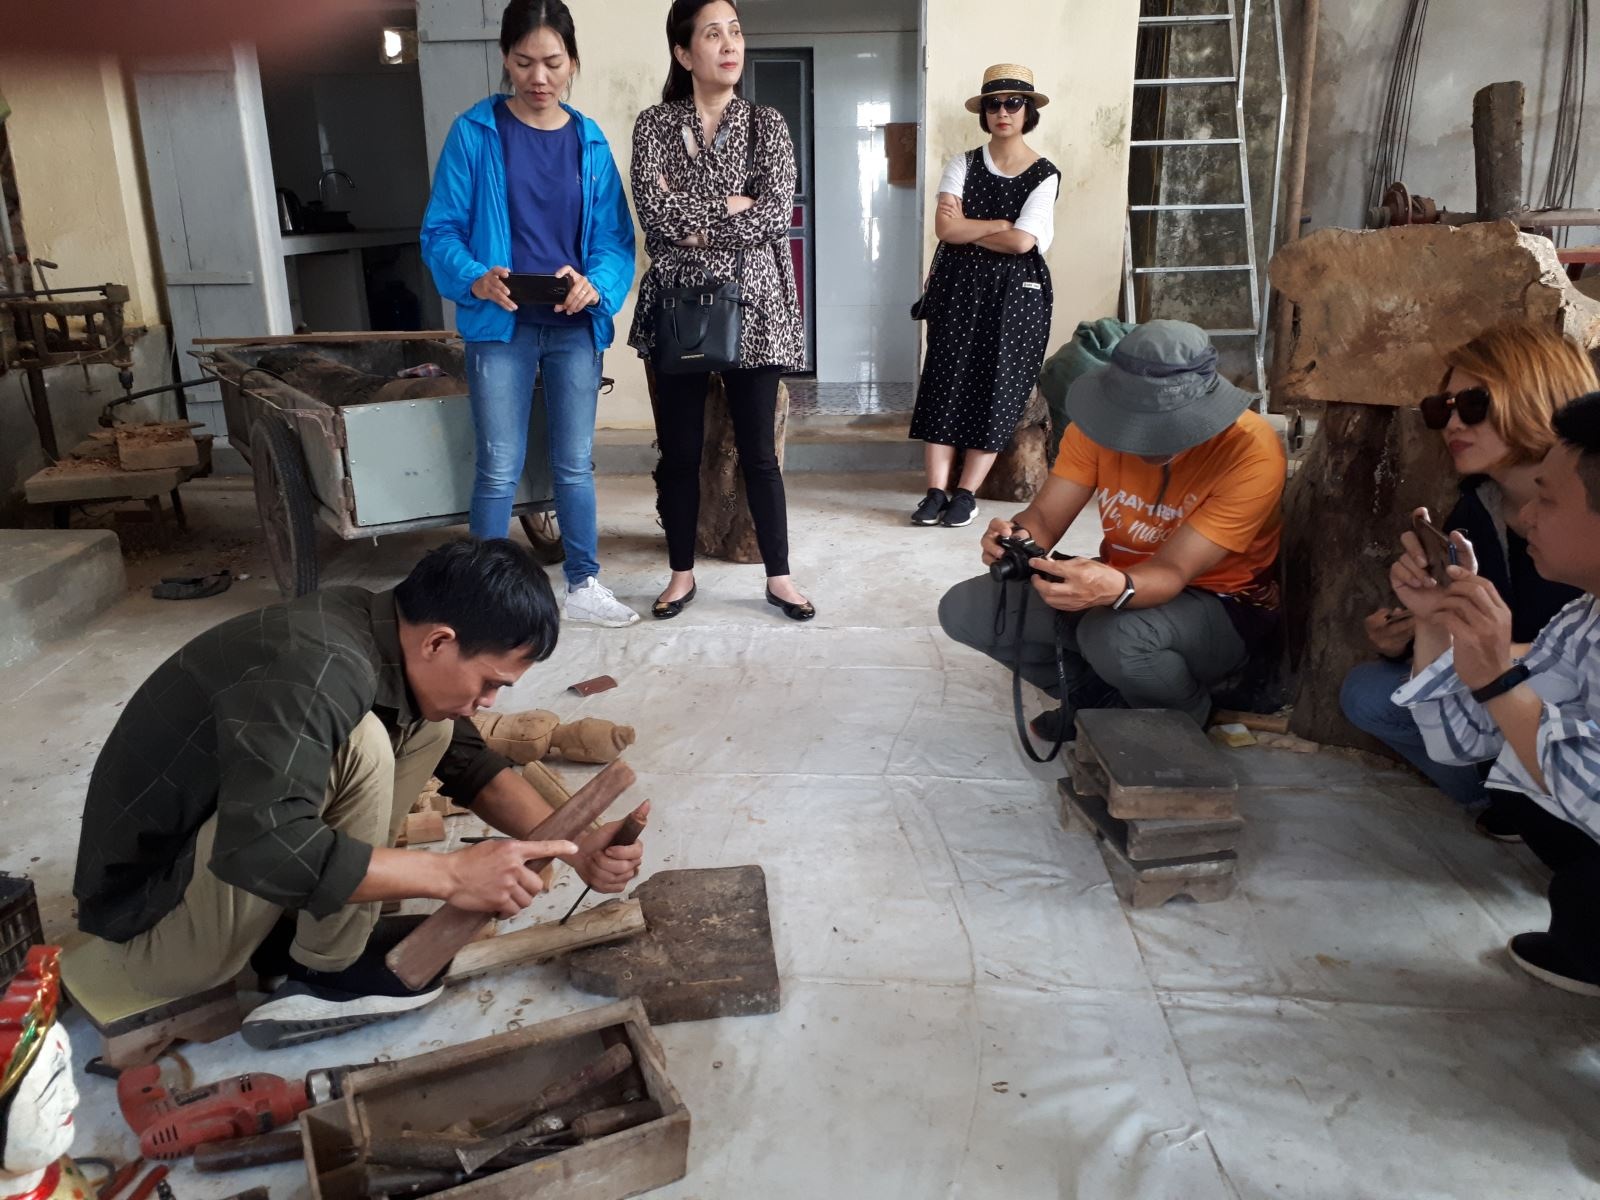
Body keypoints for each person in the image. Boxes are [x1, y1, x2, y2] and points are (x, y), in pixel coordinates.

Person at [66, 540, 646, 1050]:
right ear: (440, 641)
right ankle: (323, 970)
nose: (491, 701)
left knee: (433, 728)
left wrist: (578, 844)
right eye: (490, 681)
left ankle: (311, 933)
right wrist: (450, 875)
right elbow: (261, 847)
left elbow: (470, 765)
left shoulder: (375, 628)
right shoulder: (320, 665)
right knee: (363, 741)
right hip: (147, 931)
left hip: (198, 880)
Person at [938, 320, 1285, 739]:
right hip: (1125, 579)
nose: (1144, 441)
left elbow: (1173, 571)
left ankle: (1184, 716)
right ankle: (1099, 696)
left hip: (1221, 602)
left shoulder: (1250, 449)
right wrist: (1016, 539)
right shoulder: (1097, 426)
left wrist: (1115, 588)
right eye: (1134, 423)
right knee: (967, 609)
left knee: (1114, 635)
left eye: (1163, 425)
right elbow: (1045, 519)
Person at [421, 0, 640, 627]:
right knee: (498, 463)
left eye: (552, 62)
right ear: (505, 60)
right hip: (502, 324)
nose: (538, 77)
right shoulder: (475, 132)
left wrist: (594, 285)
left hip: (572, 326)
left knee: (573, 462)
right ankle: (484, 596)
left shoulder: (590, 141)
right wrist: (475, 277)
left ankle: (584, 584)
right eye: (523, 62)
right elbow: (440, 231)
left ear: (573, 62)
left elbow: (614, 240)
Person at [1340, 322, 1591, 832]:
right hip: (1513, 682)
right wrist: (1419, 630)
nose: (1452, 423)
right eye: (1441, 409)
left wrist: (1487, 655)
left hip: (1556, 700)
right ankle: (1508, 799)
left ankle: (1530, 803)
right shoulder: (1480, 505)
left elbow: (1550, 658)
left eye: (1473, 405)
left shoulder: (1585, 521)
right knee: (1368, 690)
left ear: (1536, 395)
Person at [1391, 389, 1600, 996]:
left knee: (1583, 888)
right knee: (1559, 846)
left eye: (1549, 500)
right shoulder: (1583, 616)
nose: (1525, 516)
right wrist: (1436, 621)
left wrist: (1498, 680)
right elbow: (1462, 743)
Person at [628, 0, 814, 623]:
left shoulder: (768, 123)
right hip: (680, 309)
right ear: (684, 54)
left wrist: (702, 225)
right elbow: (655, 215)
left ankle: (780, 577)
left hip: (755, 308)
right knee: (679, 452)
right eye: (713, 34)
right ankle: (681, 575)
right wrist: (729, 209)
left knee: (759, 454)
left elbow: (773, 212)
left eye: (735, 31)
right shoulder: (654, 125)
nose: (730, 43)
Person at [909, 64, 1061, 530]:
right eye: (994, 103)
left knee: (999, 388)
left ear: (1028, 111)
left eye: (1013, 103)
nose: (1003, 111)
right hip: (957, 290)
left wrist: (973, 229)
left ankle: (966, 494)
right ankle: (935, 491)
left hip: (1018, 296)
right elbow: (945, 228)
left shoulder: (1044, 173)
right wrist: (997, 226)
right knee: (943, 381)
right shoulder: (962, 163)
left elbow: (1023, 243)